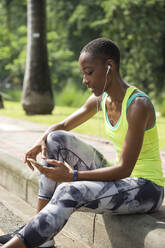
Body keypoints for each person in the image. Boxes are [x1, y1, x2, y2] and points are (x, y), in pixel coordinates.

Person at [1, 37, 164, 248]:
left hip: (147, 189)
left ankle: (23, 241)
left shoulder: (137, 105)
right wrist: (40, 141)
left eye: (89, 72)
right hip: (122, 180)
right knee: (55, 138)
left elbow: (125, 169)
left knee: (68, 190)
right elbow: (63, 125)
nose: (84, 80)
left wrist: (71, 177)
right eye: (83, 73)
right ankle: (43, 236)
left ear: (109, 67)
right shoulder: (101, 100)